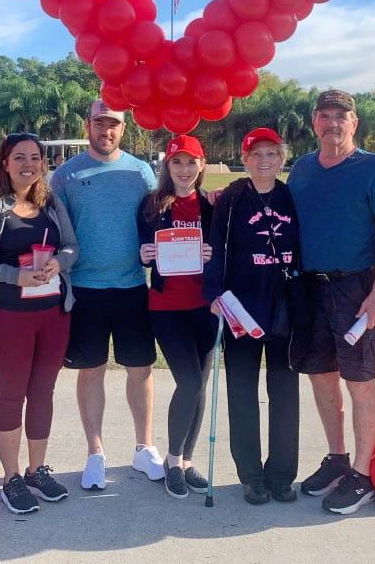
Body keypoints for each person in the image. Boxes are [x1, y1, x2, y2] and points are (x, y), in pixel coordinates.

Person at [287, 88, 375, 515]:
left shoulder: (372, 168)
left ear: (354, 123)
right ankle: (336, 458)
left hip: (355, 289)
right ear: (314, 122)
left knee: (360, 382)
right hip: (310, 289)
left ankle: (363, 472)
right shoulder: (301, 169)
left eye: (341, 115)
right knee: (320, 377)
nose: (332, 122)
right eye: (324, 115)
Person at [0, 132, 78, 514]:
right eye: (19, 157)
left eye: (36, 157)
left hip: (53, 316)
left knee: (43, 393)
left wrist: (61, 261)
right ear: (4, 163)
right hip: (6, 318)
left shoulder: (52, 202)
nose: (29, 164)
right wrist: (14, 276)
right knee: (12, 395)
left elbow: (73, 247)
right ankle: (10, 478)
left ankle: (36, 470)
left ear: (44, 164)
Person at [51, 99, 163, 491]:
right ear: (88, 126)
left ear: (123, 129)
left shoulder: (141, 171)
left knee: (140, 369)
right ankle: (95, 453)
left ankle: (144, 447)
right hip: (85, 289)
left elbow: (159, 217)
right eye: (100, 123)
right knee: (91, 371)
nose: (107, 131)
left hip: (132, 286)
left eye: (114, 124)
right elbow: (56, 232)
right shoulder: (64, 175)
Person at [203, 127, 300, 505]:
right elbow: (216, 246)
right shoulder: (232, 197)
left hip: (285, 309)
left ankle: (281, 475)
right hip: (242, 308)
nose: (264, 161)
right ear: (244, 159)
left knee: (284, 393)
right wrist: (214, 293)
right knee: (241, 392)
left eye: (271, 154)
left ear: (281, 159)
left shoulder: (291, 195)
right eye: (256, 154)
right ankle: (250, 475)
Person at [137, 134, 215, 500]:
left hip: (206, 308)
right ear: (167, 167)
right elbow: (138, 249)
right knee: (189, 382)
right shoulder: (152, 205)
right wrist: (145, 253)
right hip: (167, 308)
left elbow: (227, 252)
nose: (184, 170)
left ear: (202, 165)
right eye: (176, 162)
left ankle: (186, 461)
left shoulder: (213, 207)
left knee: (200, 383)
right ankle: (171, 458)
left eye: (191, 162)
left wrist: (215, 253)